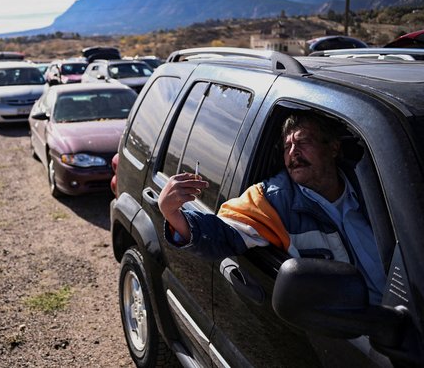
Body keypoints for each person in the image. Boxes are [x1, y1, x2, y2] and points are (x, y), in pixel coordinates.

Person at [158, 111, 386, 304]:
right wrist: (171, 212)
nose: (293, 153)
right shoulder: (273, 200)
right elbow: (222, 234)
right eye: (287, 146)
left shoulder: (375, 187)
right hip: (354, 333)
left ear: (333, 147)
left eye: (303, 142)